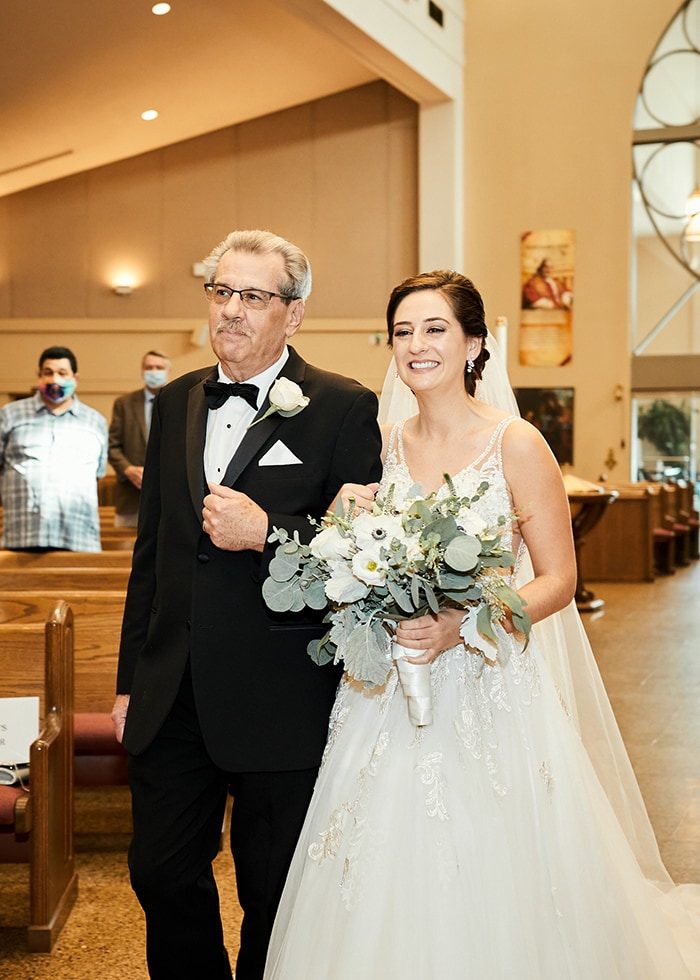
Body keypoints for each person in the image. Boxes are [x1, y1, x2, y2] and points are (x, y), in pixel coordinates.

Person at [263, 271, 700, 979]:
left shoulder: (516, 443)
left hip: (488, 686)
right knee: (377, 862)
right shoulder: (379, 444)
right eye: (403, 331)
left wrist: (462, 623)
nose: (416, 345)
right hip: (386, 696)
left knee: (492, 856)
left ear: (473, 343)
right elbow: (352, 557)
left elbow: (560, 579)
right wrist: (347, 541)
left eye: (434, 328)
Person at [111, 229, 383, 980]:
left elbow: (365, 550)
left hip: (282, 696)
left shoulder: (342, 407)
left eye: (253, 296)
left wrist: (269, 532)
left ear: (292, 315)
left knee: (275, 893)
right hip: (173, 694)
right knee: (161, 875)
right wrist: (132, 680)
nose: (230, 310)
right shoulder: (176, 403)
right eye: (220, 291)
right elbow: (154, 554)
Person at [0, 345, 108, 552]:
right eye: (48, 373)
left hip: (78, 535)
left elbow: (98, 475)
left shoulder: (95, 421)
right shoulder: (9, 415)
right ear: (39, 376)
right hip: (22, 533)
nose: (54, 379)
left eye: (62, 373)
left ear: (75, 378)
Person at [108, 349, 171, 526]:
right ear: (142, 370)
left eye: (159, 367)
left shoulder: (181, 401)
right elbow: (112, 445)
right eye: (149, 367)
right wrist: (127, 469)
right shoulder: (124, 403)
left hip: (169, 498)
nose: (154, 370)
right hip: (130, 500)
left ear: (167, 371)